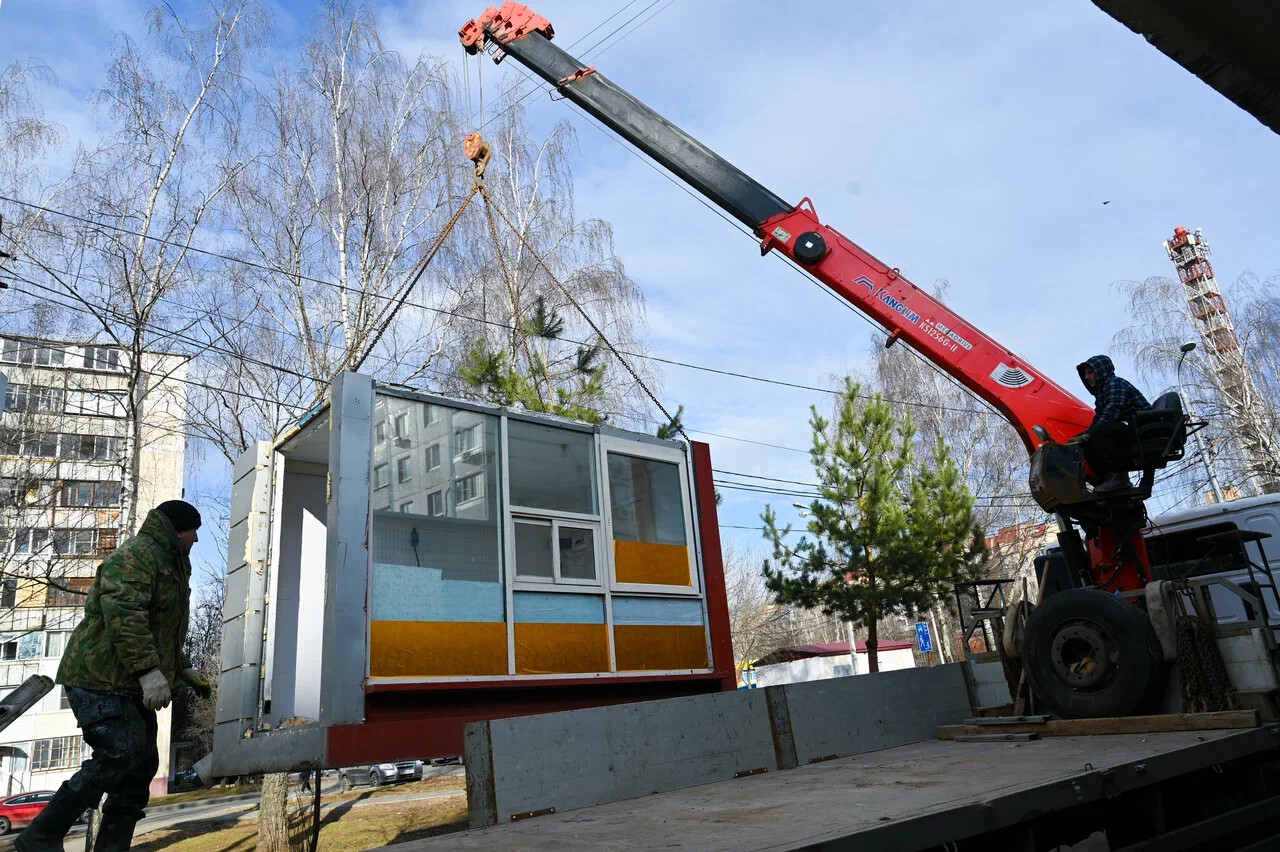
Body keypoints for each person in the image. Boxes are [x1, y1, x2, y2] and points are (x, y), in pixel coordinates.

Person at [17, 500, 211, 852]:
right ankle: (41, 835)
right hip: (98, 677)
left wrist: (182, 667)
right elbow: (124, 612)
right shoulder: (137, 555)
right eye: (194, 531)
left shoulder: (172, 563)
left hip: (127, 683)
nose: (197, 539)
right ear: (179, 530)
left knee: (141, 768)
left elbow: (162, 629)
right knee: (121, 752)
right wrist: (149, 671)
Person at [1071, 354, 1151, 491]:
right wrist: (1081, 437)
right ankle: (1105, 480)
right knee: (1087, 443)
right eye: (1085, 374)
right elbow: (1098, 419)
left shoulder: (1114, 383)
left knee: (1100, 432)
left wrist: (1090, 434)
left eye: (1090, 372)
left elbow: (1113, 410)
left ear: (1100, 371)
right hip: (1129, 428)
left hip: (1142, 428)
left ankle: (1119, 478)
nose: (1086, 377)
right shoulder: (1101, 395)